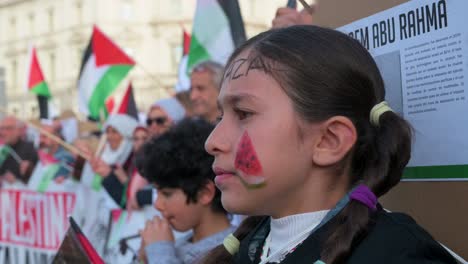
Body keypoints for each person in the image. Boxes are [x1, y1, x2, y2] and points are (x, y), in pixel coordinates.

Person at [202, 26, 457, 263]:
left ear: (329, 141)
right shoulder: (249, 249)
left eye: (244, 113)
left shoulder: (397, 255)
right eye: (220, 117)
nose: (212, 142)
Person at [137, 118, 236, 264]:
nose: (157, 204)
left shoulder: (231, 251)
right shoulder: (179, 244)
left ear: (204, 193)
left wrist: (159, 252)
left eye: (166, 194)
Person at [90, 114, 138, 208]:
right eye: (107, 131)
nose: (109, 136)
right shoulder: (102, 156)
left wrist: (124, 181)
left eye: (115, 132)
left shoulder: (134, 160)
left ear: (125, 134)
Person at [0, 116, 38, 184]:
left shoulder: (30, 149)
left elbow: (38, 177)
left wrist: (29, 171)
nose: (3, 132)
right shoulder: (2, 149)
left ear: (19, 131)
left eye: (9, 128)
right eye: (1, 128)